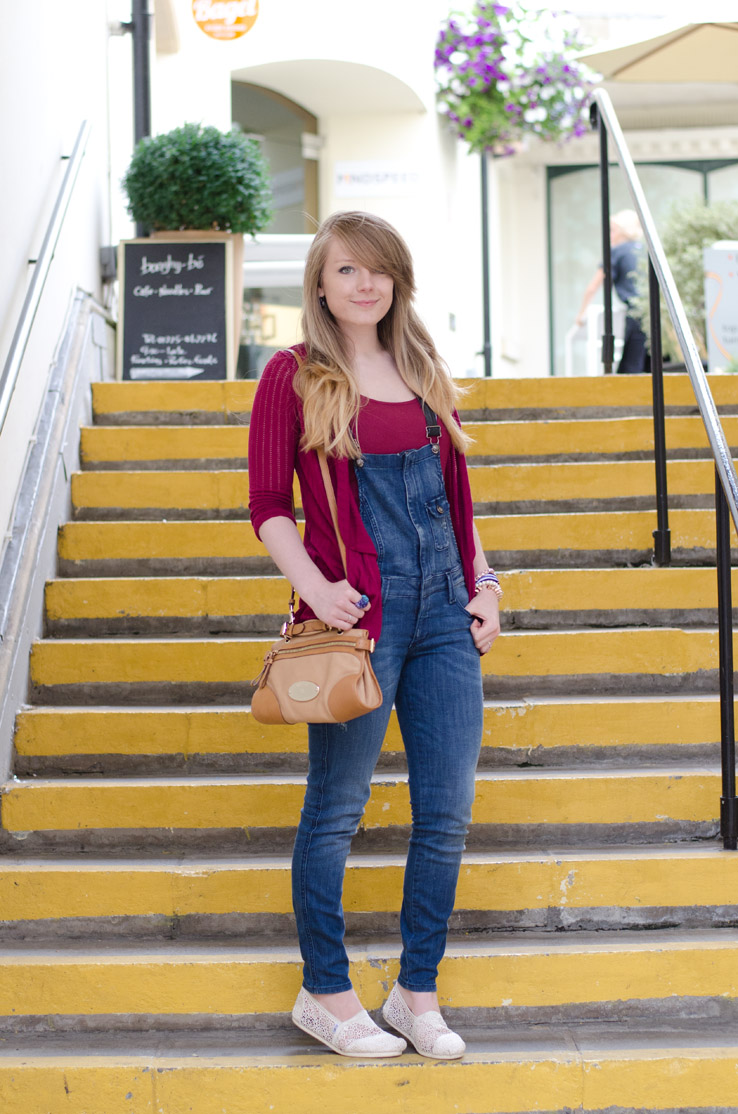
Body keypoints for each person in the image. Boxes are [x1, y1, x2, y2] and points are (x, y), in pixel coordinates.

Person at [248, 211, 501, 1060]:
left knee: (447, 813)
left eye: (380, 270)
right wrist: (318, 589)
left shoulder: (423, 369)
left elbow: (459, 508)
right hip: (358, 617)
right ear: (319, 283)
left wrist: (487, 587)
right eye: (349, 270)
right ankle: (324, 991)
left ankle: (414, 995)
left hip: (443, 614)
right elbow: (267, 507)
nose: (366, 284)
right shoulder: (292, 375)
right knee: (337, 811)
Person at [575, 209, 649, 374]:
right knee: (649, 366)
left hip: (636, 314)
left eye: (613, 230)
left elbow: (593, 286)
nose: (610, 235)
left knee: (630, 370)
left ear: (623, 231)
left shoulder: (616, 252)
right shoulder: (644, 250)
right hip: (654, 314)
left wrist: (581, 314)